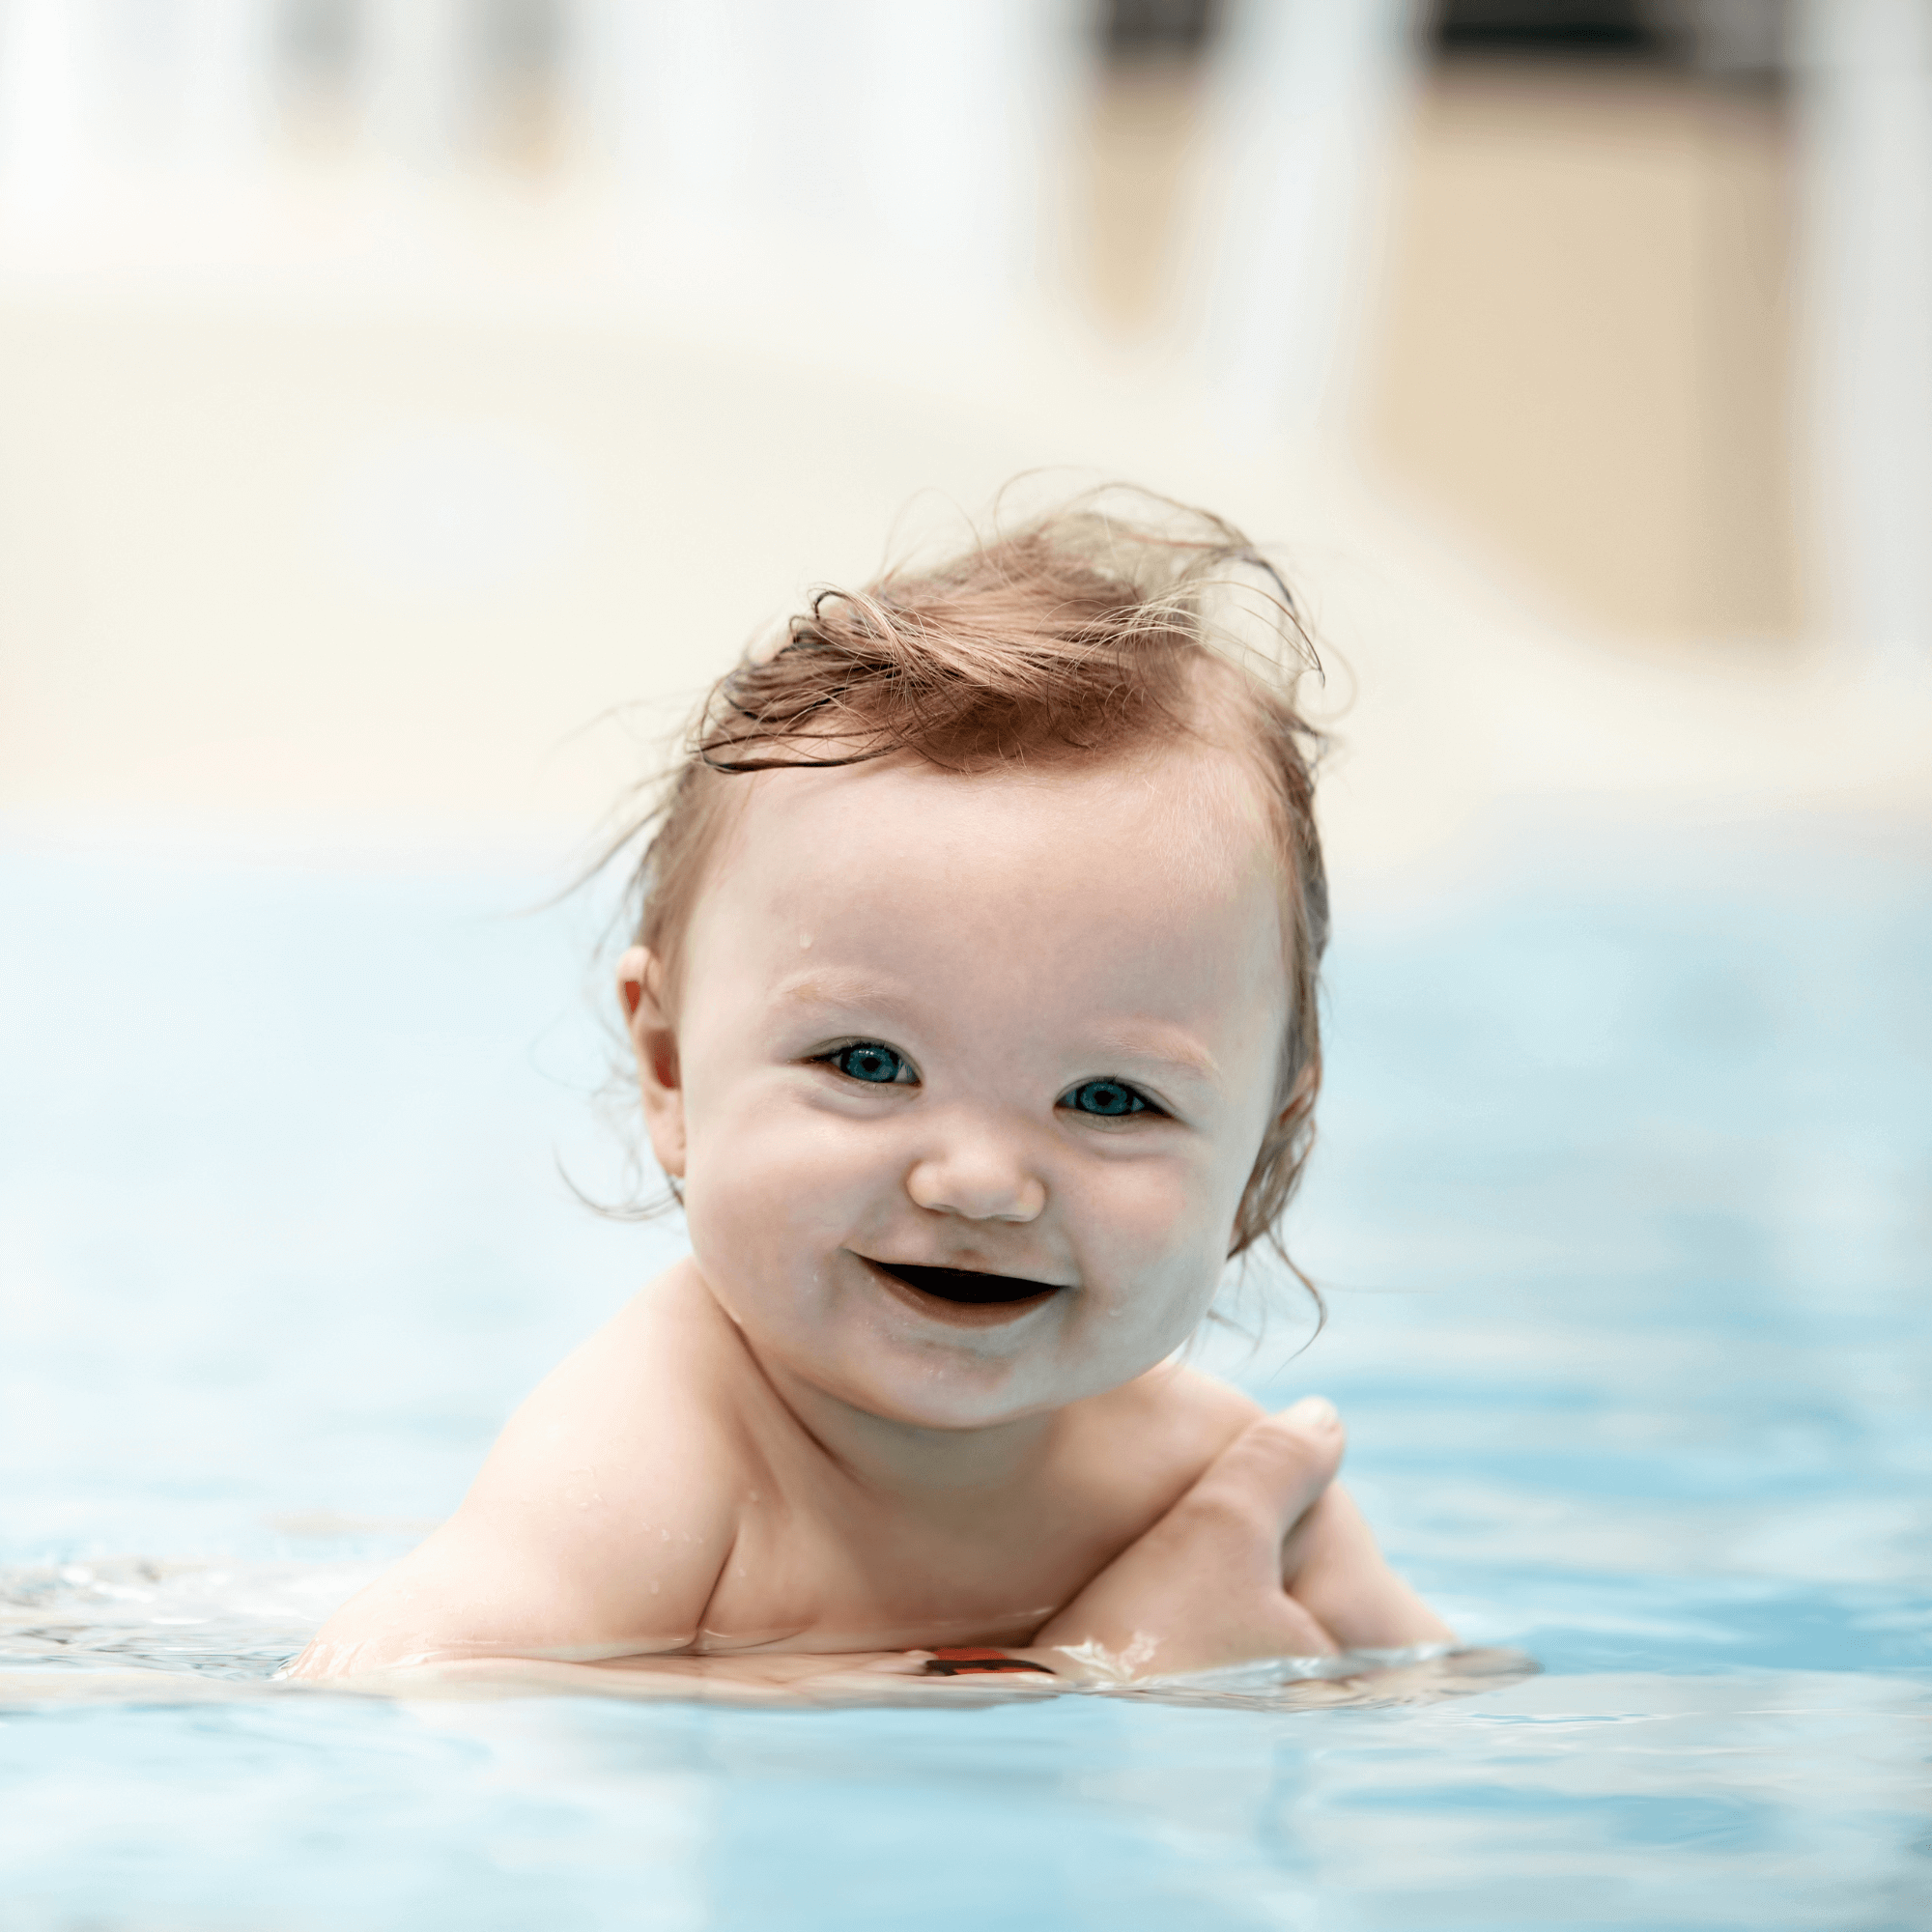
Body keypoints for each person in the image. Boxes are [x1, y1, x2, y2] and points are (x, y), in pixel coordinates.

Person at [287, 492, 1453, 1700]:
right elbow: (385, 1687)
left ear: (1267, 1147)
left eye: (1109, 1097)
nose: (980, 1181)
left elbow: (1443, 1717)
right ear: (671, 1069)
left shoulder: (1211, 1486)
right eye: (867, 1064)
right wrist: (1085, 1667)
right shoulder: (662, 1458)